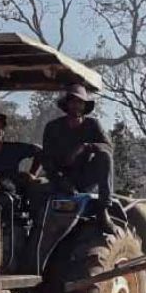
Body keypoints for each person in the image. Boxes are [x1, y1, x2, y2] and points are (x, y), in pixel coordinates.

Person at [42, 84, 115, 233]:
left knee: (104, 156)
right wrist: (60, 180)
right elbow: (47, 160)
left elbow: (108, 147)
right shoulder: (53, 127)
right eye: (73, 101)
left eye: (80, 102)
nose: (76, 105)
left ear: (84, 106)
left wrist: (86, 147)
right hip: (61, 178)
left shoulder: (92, 124)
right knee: (35, 194)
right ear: (67, 104)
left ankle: (103, 209)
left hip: (84, 177)